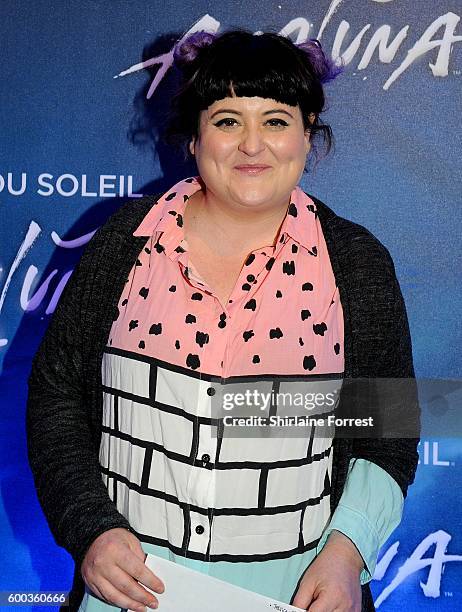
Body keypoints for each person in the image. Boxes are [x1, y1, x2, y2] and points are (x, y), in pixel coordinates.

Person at [26, 29, 420, 612]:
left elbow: (388, 428)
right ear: (195, 136)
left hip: (297, 593)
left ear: (308, 133)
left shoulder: (355, 264)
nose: (252, 145)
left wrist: (347, 552)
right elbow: (55, 397)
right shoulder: (122, 247)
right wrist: (90, 528)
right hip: (133, 594)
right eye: (229, 119)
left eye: (277, 121)